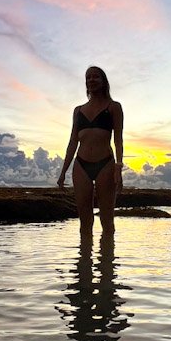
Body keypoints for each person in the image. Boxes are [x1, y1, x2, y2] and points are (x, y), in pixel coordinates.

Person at [57, 66, 124, 238]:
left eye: (96, 77)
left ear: (103, 81)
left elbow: (118, 140)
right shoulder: (78, 111)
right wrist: (63, 171)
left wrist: (118, 167)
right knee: (85, 221)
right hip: (81, 164)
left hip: (106, 164)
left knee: (107, 220)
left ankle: (106, 262)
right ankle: (84, 262)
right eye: (88, 77)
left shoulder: (113, 107)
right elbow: (73, 141)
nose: (91, 80)